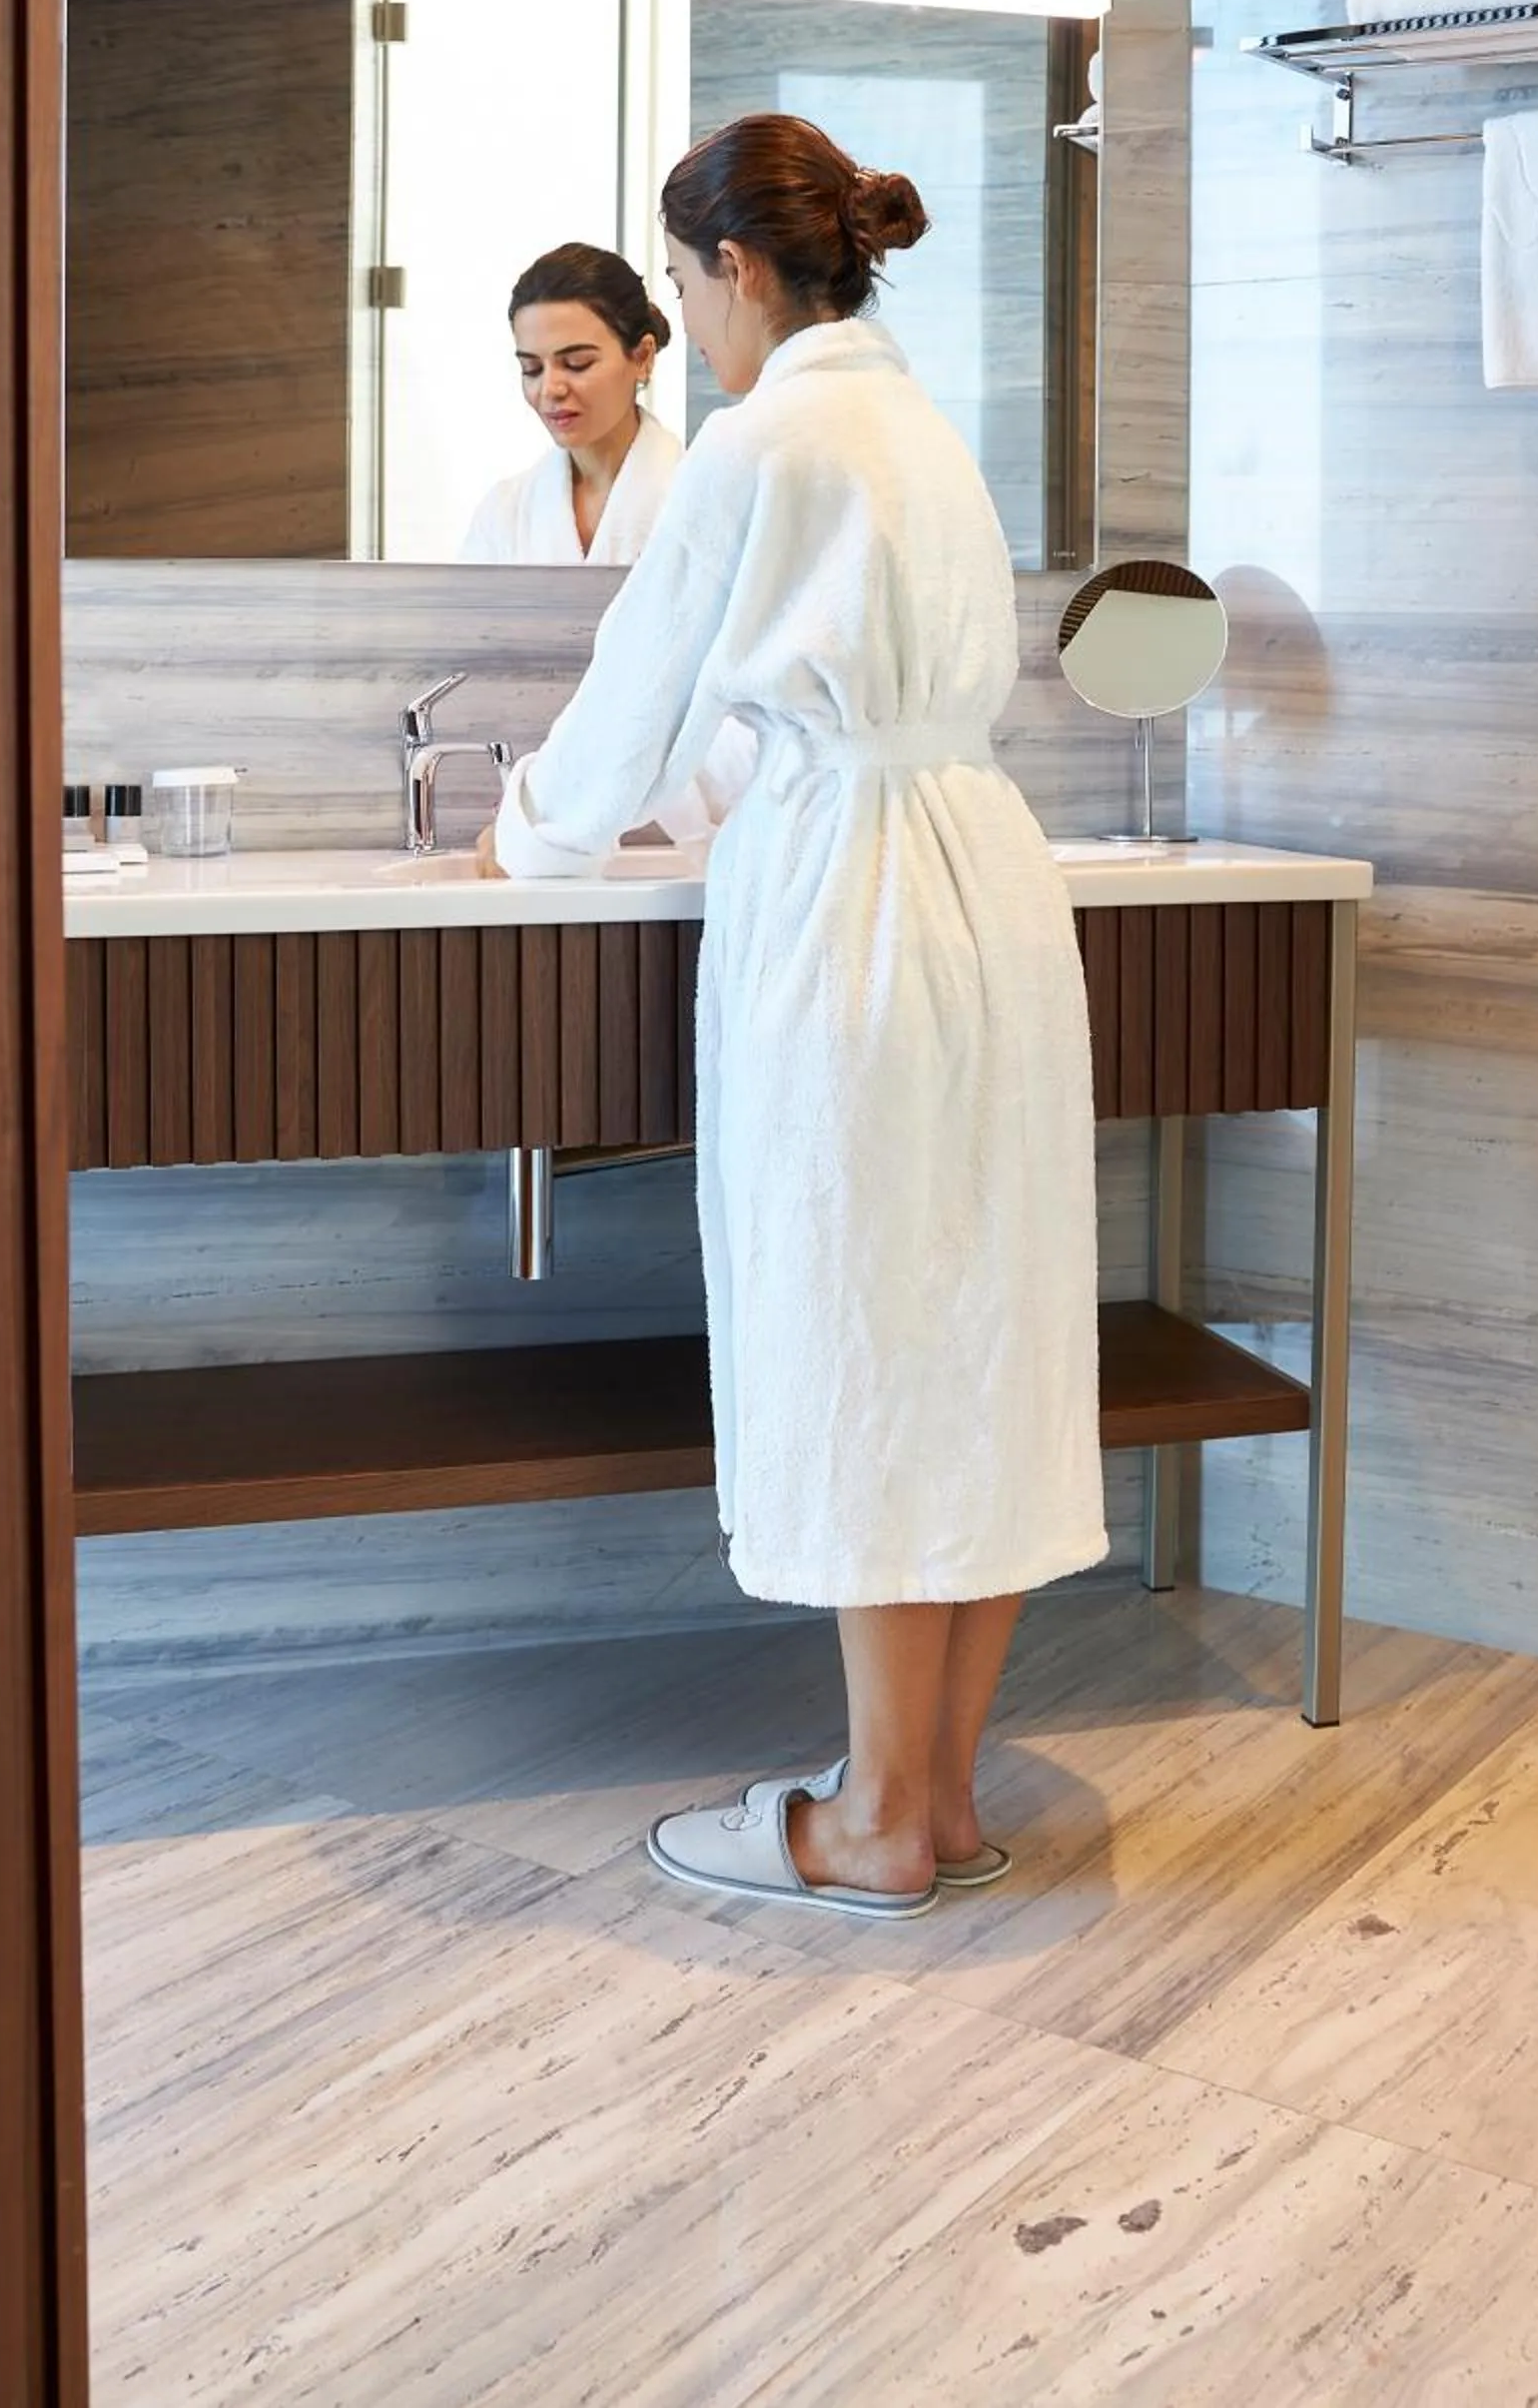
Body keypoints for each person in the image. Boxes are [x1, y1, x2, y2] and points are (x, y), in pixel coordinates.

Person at [484, 114, 1105, 1920]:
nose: (694, 308)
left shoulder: (768, 438)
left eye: (680, 283)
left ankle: (866, 1824)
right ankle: (945, 1804)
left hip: (852, 899)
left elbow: (636, 704)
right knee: (970, 1332)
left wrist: (527, 841)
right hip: (988, 879)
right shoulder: (919, 426)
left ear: (733, 272)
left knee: (856, 1324)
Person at [461, 242, 683, 565]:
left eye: (577, 363)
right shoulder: (505, 513)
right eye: (532, 369)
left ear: (642, 356)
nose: (550, 388)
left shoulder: (701, 498)